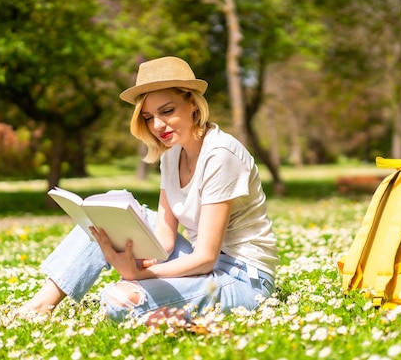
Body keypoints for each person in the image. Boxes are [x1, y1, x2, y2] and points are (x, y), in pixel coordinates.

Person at [20, 56, 278, 323]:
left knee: (120, 299)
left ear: (192, 103)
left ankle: (169, 312)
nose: (157, 126)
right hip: (200, 263)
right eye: (148, 117)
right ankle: (39, 306)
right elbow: (165, 239)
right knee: (104, 216)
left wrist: (137, 274)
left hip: (242, 277)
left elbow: (206, 258)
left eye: (167, 111)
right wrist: (143, 259)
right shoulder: (171, 154)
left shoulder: (221, 154)